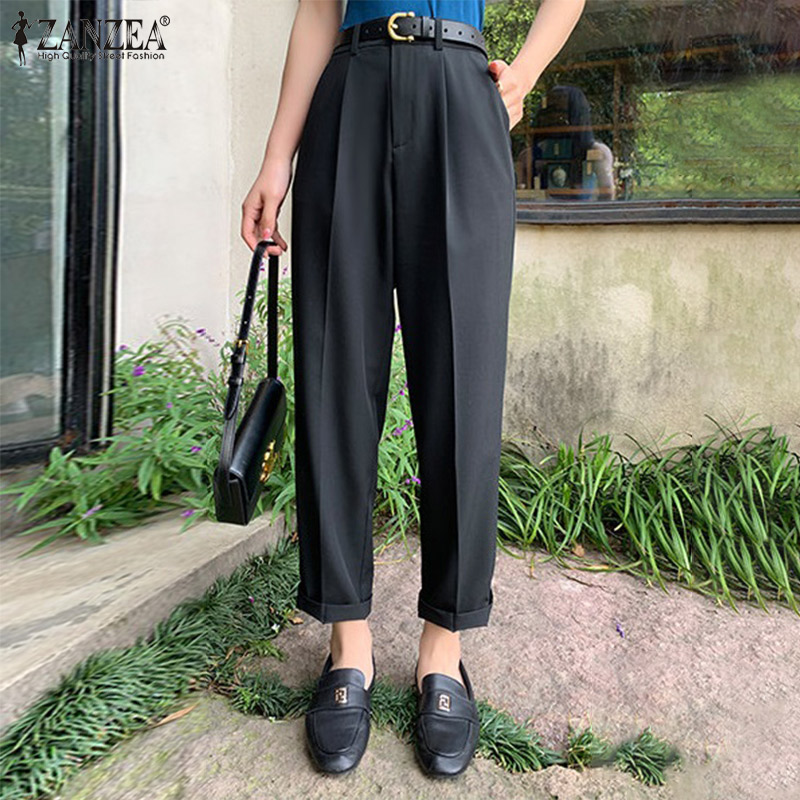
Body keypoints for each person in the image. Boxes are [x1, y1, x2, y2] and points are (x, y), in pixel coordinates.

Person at [241, 0, 585, 778]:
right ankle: (347, 643)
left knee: (463, 384)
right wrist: (275, 160)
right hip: (349, 95)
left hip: (462, 94)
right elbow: (317, 10)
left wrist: (522, 75)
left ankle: (444, 646)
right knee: (333, 377)